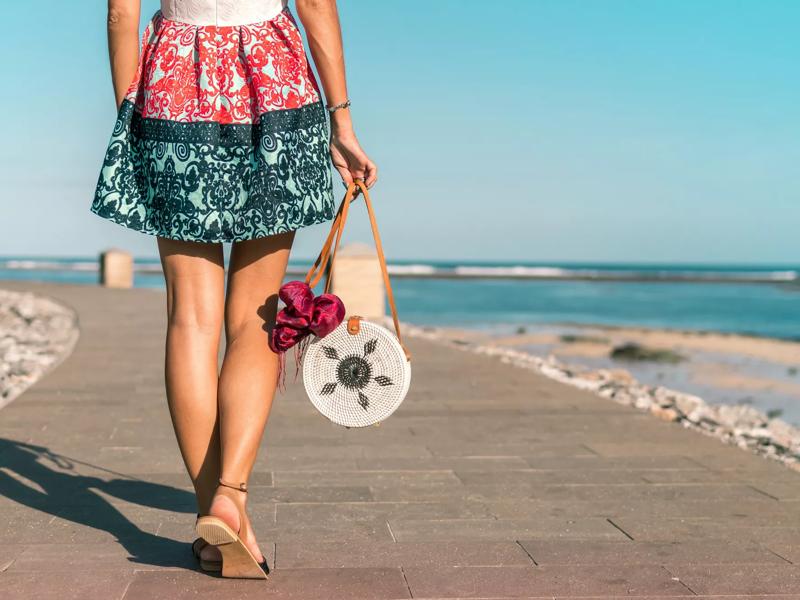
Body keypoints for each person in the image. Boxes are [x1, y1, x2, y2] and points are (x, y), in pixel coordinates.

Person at [92, 0, 376, 579]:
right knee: (256, 316)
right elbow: (315, 3)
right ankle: (232, 493)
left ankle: (213, 517)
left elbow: (122, 15)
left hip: (170, 79)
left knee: (190, 320)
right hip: (274, 82)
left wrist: (131, 115)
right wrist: (341, 121)